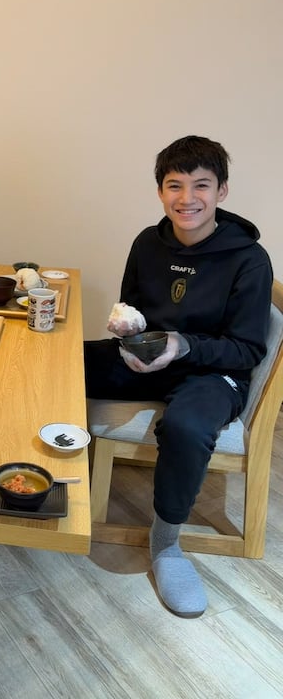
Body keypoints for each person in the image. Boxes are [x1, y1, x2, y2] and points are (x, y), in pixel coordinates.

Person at [85, 135, 272, 618]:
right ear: (160, 191)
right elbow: (133, 312)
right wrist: (128, 336)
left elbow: (247, 349)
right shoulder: (147, 243)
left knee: (187, 426)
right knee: (60, 364)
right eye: (175, 185)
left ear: (222, 191)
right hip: (149, 361)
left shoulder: (249, 259)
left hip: (214, 373)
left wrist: (183, 345)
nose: (187, 198)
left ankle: (166, 544)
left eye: (201, 185)